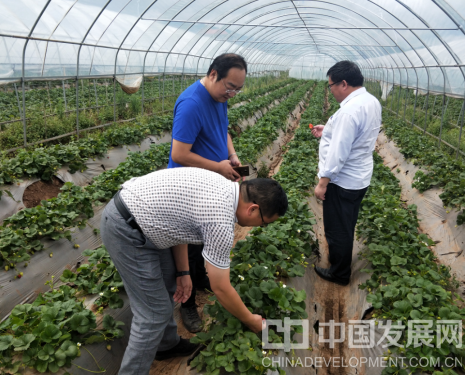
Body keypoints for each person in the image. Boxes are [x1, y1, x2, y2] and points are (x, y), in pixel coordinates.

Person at [100, 167, 288, 375]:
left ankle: (167, 345)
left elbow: (179, 225)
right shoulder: (220, 219)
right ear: (252, 209)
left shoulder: (225, 187)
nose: (259, 227)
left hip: (146, 219)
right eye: (264, 223)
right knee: (153, 314)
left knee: (170, 285)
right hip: (127, 229)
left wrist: (183, 272)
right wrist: (250, 320)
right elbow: (220, 287)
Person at [168, 53, 247, 332]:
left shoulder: (218, 99)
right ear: (213, 74)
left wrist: (232, 155)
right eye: (230, 86)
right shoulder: (192, 103)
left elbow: (222, 130)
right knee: (188, 244)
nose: (233, 93)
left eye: (238, 88)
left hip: (209, 183)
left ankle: (202, 278)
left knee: (202, 240)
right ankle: (186, 304)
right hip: (188, 188)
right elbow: (179, 153)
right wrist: (218, 166)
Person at [311, 60, 382, 286]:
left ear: (343, 83)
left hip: (342, 181)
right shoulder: (370, 101)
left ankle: (339, 273)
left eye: (330, 85)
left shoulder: (349, 111)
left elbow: (339, 152)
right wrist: (328, 130)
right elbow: (352, 136)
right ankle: (339, 260)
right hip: (359, 177)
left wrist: (323, 183)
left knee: (337, 229)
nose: (330, 90)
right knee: (346, 223)